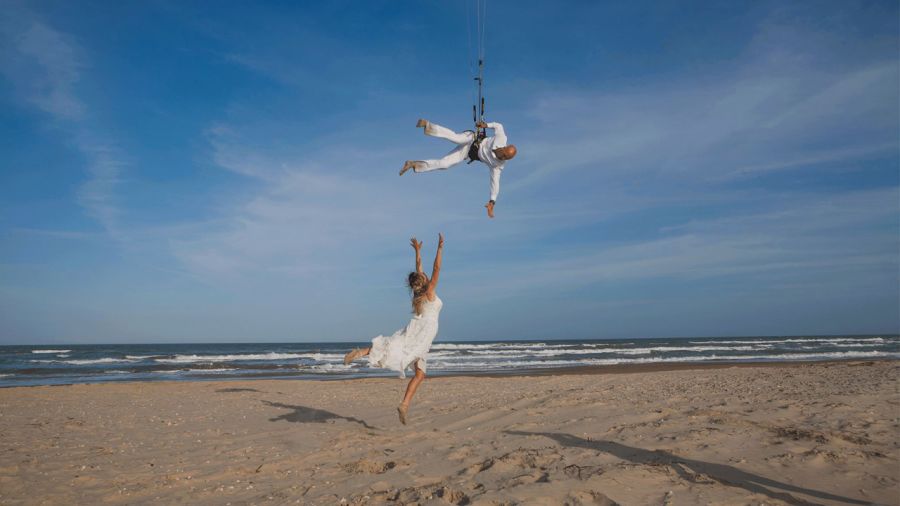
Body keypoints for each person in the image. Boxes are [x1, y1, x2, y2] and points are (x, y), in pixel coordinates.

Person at [343, 233, 445, 424]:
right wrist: (440, 248)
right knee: (406, 358)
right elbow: (436, 268)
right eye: (424, 276)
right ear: (424, 281)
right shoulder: (429, 292)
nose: (424, 274)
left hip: (421, 333)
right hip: (423, 334)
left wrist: (417, 251)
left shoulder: (418, 293)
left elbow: (420, 269)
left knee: (417, 371)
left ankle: (404, 405)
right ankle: (361, 352)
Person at [400, 119, 517, 218]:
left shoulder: (498, 165)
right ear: (504, 147)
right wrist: (486, 125)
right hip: (472, 138)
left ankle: (413, 164)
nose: (500, 155)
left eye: (503, 157)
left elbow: (495, 182)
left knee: (444, 164)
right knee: (456, 138)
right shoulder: (501, 138)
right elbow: (499, 126)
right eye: (502, 152)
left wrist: (492, 201)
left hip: (467, 152)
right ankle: (428, 125)